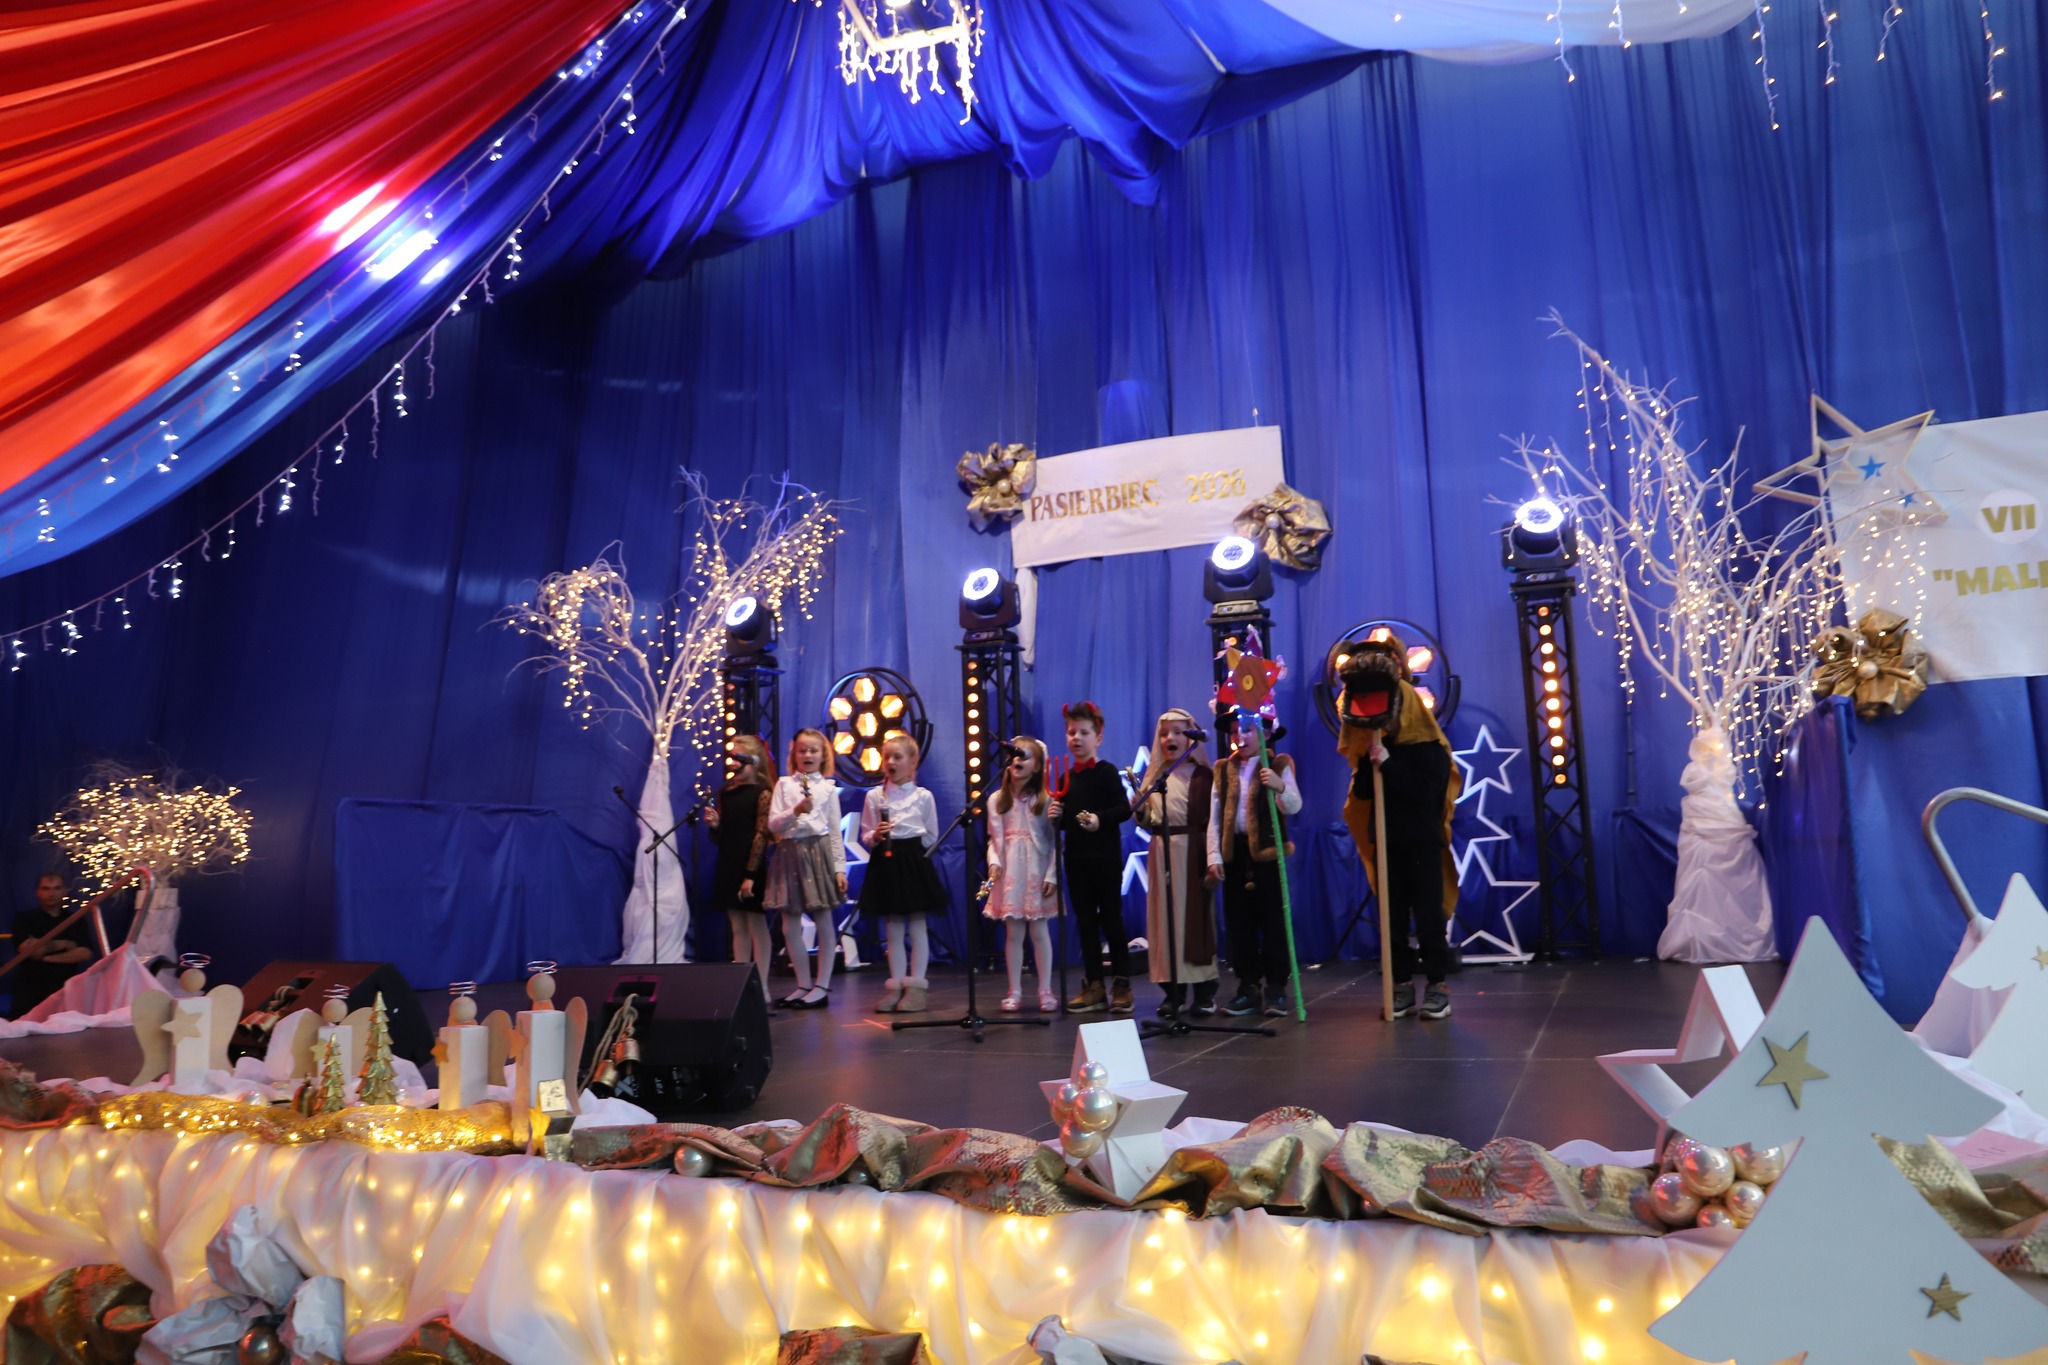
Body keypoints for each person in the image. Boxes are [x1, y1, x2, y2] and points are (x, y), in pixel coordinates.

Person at [1337, 632, 1461, 1020]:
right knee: (1391, 921)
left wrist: (1388, 764)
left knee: (1428, 918)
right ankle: (1401, 985)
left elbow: (1424, 794)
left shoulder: (1431, 750)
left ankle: (1437, 986)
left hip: (1421, 844)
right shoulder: (1377, 747)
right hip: (1387, 842)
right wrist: (1367, 765)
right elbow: (1363, 794)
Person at [1207, 713, 1302, 1018]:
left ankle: (1276, 986)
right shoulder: (1223, 769)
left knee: (1273, 923)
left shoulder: (1278, 764)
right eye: (1235, 731)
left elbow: (1294, 806)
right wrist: (1214, 856)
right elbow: (1215, 817)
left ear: (1266, 733)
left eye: (1247, 730)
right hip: (1236, 855)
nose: (1240, 737)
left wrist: (1280, 786)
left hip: (1267, 856)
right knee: (1239, 925)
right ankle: (1248, 986)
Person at [1049, 701, 1135, 1016]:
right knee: (1085, 922)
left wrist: (1100, 819)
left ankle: (1122, 984)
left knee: (1112, 919)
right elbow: (1066, 822)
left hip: (1105, 858)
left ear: (1098, 738)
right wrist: (1056, 816)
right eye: (1072, 732)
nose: (1077, 738)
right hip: (1076, 859)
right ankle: (1094, 984)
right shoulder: (1065, 778)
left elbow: (1124, 809)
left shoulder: (1107, 772)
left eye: (1084, 732)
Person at [1133, 708, 1219, 1018]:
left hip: (1192, 853)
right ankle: (1173, 992)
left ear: (1191, 737)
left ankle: (1204, 991)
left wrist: (1212, 858)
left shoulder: (1204, 776)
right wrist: (1140, 810)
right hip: (1162, 854)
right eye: (1164, 733)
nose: (1170, 738)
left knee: (1194, 921)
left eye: (1178, 732)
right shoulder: (1157, 777)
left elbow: (1212, 821)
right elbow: (1147, 819)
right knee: (1165, 921)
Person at [860, 734, 945, 1014]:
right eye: (887, 757)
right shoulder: (875, 796)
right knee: (893, 927)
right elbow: (865, 834)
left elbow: (931, 835)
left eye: (897, 757)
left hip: (913, 861)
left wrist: (913, 850)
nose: (890, 762)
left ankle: (916, 988)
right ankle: (895, 986)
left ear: (913, 762)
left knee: (917, 925)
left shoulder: (923, 797)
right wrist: (876, 835)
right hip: (885, 862)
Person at [765, 728, 847, 1010]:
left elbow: (834, 831)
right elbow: (773, 824)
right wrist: (795, 811)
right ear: (794, 755)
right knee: (790, 924)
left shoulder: (828, 789)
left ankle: (821, 985)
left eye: (814, 750)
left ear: (823, 755)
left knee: (823, 918)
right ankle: (802, 984)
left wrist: (840, 869)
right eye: (802, 750)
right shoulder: (784, 784)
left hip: (817, 852)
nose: (808, 755)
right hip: (789, 852)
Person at [984, 735, 1059, 1013]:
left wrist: (1052, 875)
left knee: (1039, 931)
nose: (1018, 759)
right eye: (1015, 755)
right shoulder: (996, 800)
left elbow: (1054, 842)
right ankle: (1014, 990)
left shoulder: (1046, 800)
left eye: (1025, 756)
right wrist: (994, 863)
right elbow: (994, 840)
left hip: (1037, 870)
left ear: (1038, 766)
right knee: (1013, 932)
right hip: (1010, 872)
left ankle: (1045, 990)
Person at [706, 735, 777, 990]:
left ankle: (762, 986)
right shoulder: (727, 793)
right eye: (732, 758)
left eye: (739, 758)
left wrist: (750, 874)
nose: (733, 763)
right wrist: (716, 826)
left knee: (757, 925)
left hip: (751, 866)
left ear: (754, 762)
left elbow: (760, 835)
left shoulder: (763, 793)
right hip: (729, 863)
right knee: (737, 926)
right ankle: (742, 985)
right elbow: (723, 837)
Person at [9, 873, 92, 1019]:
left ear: (65, 891)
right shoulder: (24, 918)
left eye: (57, 888)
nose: (51, 893)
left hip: (66, 989)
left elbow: (85, 953)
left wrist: (44, 956)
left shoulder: (75, 919)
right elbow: (31, 951)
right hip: (30, 990)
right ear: (37, 892)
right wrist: (66, 943)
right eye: (46, 888)